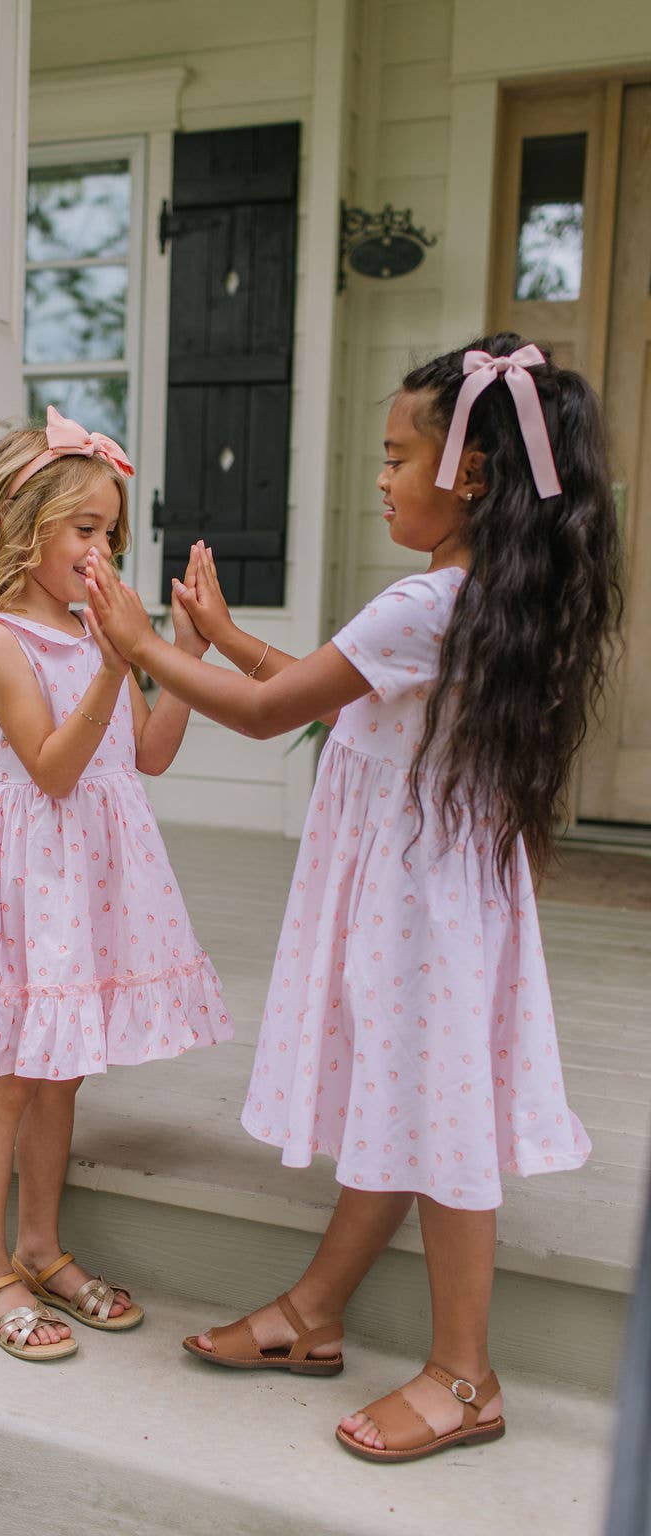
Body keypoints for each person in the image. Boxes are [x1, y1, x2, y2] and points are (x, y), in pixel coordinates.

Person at [85, 335, 621, 1457]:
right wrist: (223, 638)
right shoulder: (481, 600)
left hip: (410, 901)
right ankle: (316, 1311)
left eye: (392, 456)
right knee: (404, 1098)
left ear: (467, 473)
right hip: (439, 894)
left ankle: (466, 1377)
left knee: (438, 1122)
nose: (377, 478)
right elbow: (334, 692)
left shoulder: (424, 603)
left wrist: (138, 644)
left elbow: (273, 715)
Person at [0, 406, 234, 1362]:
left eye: (110, 533)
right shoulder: (0, 638)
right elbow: (49, 766)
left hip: (92, 876)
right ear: (23, 523)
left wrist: (185, 650)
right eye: (84, 529)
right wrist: (116, 659)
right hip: (26, 876)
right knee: (7, 1078)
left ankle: (43, 1248)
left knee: (60, 1075)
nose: (101, 549)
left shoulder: (98, 628)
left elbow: (149, 754)